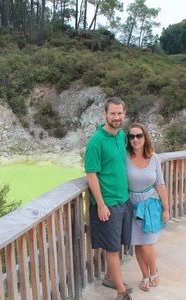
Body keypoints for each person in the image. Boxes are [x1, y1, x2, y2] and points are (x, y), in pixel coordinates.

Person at [84, 97, 133, 300]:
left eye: (119, 113)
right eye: (112, 113)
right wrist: (101, 205)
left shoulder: (121, 136)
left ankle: (110, 278)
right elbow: (91, 174)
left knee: (119, 245)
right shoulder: (96, 141)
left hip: (124, 200)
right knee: (112, 249)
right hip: (108, 205)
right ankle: (121, 292)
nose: (116, 117)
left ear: (124, 114)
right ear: (105, 114)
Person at [126, 123, 170, 292]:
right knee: (138, 244)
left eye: (139, 136)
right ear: (128, 139)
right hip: (132, 206)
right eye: (132, 136)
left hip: (150, 205)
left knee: (147, 244)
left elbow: (160, 184)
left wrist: (166, 209)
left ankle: (154, 271)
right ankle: (144, 275)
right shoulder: (125, 157)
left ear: (145, 137)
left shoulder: (154, 158)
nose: (135, 139)